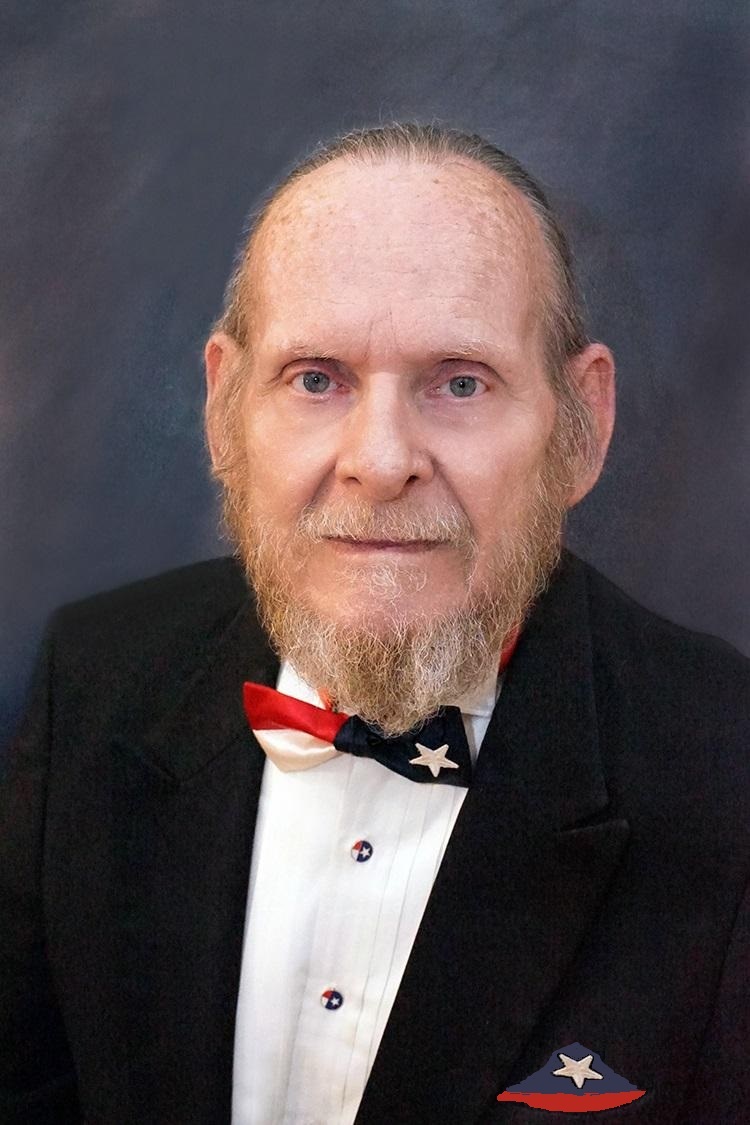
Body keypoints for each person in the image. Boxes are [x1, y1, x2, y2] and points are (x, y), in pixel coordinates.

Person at [1, 123, 748, 1125]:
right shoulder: (91, 680)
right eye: (317, 378)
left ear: (581, 427)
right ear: (224, 412)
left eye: (460, 381)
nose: (381, 461)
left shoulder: (728, 768)